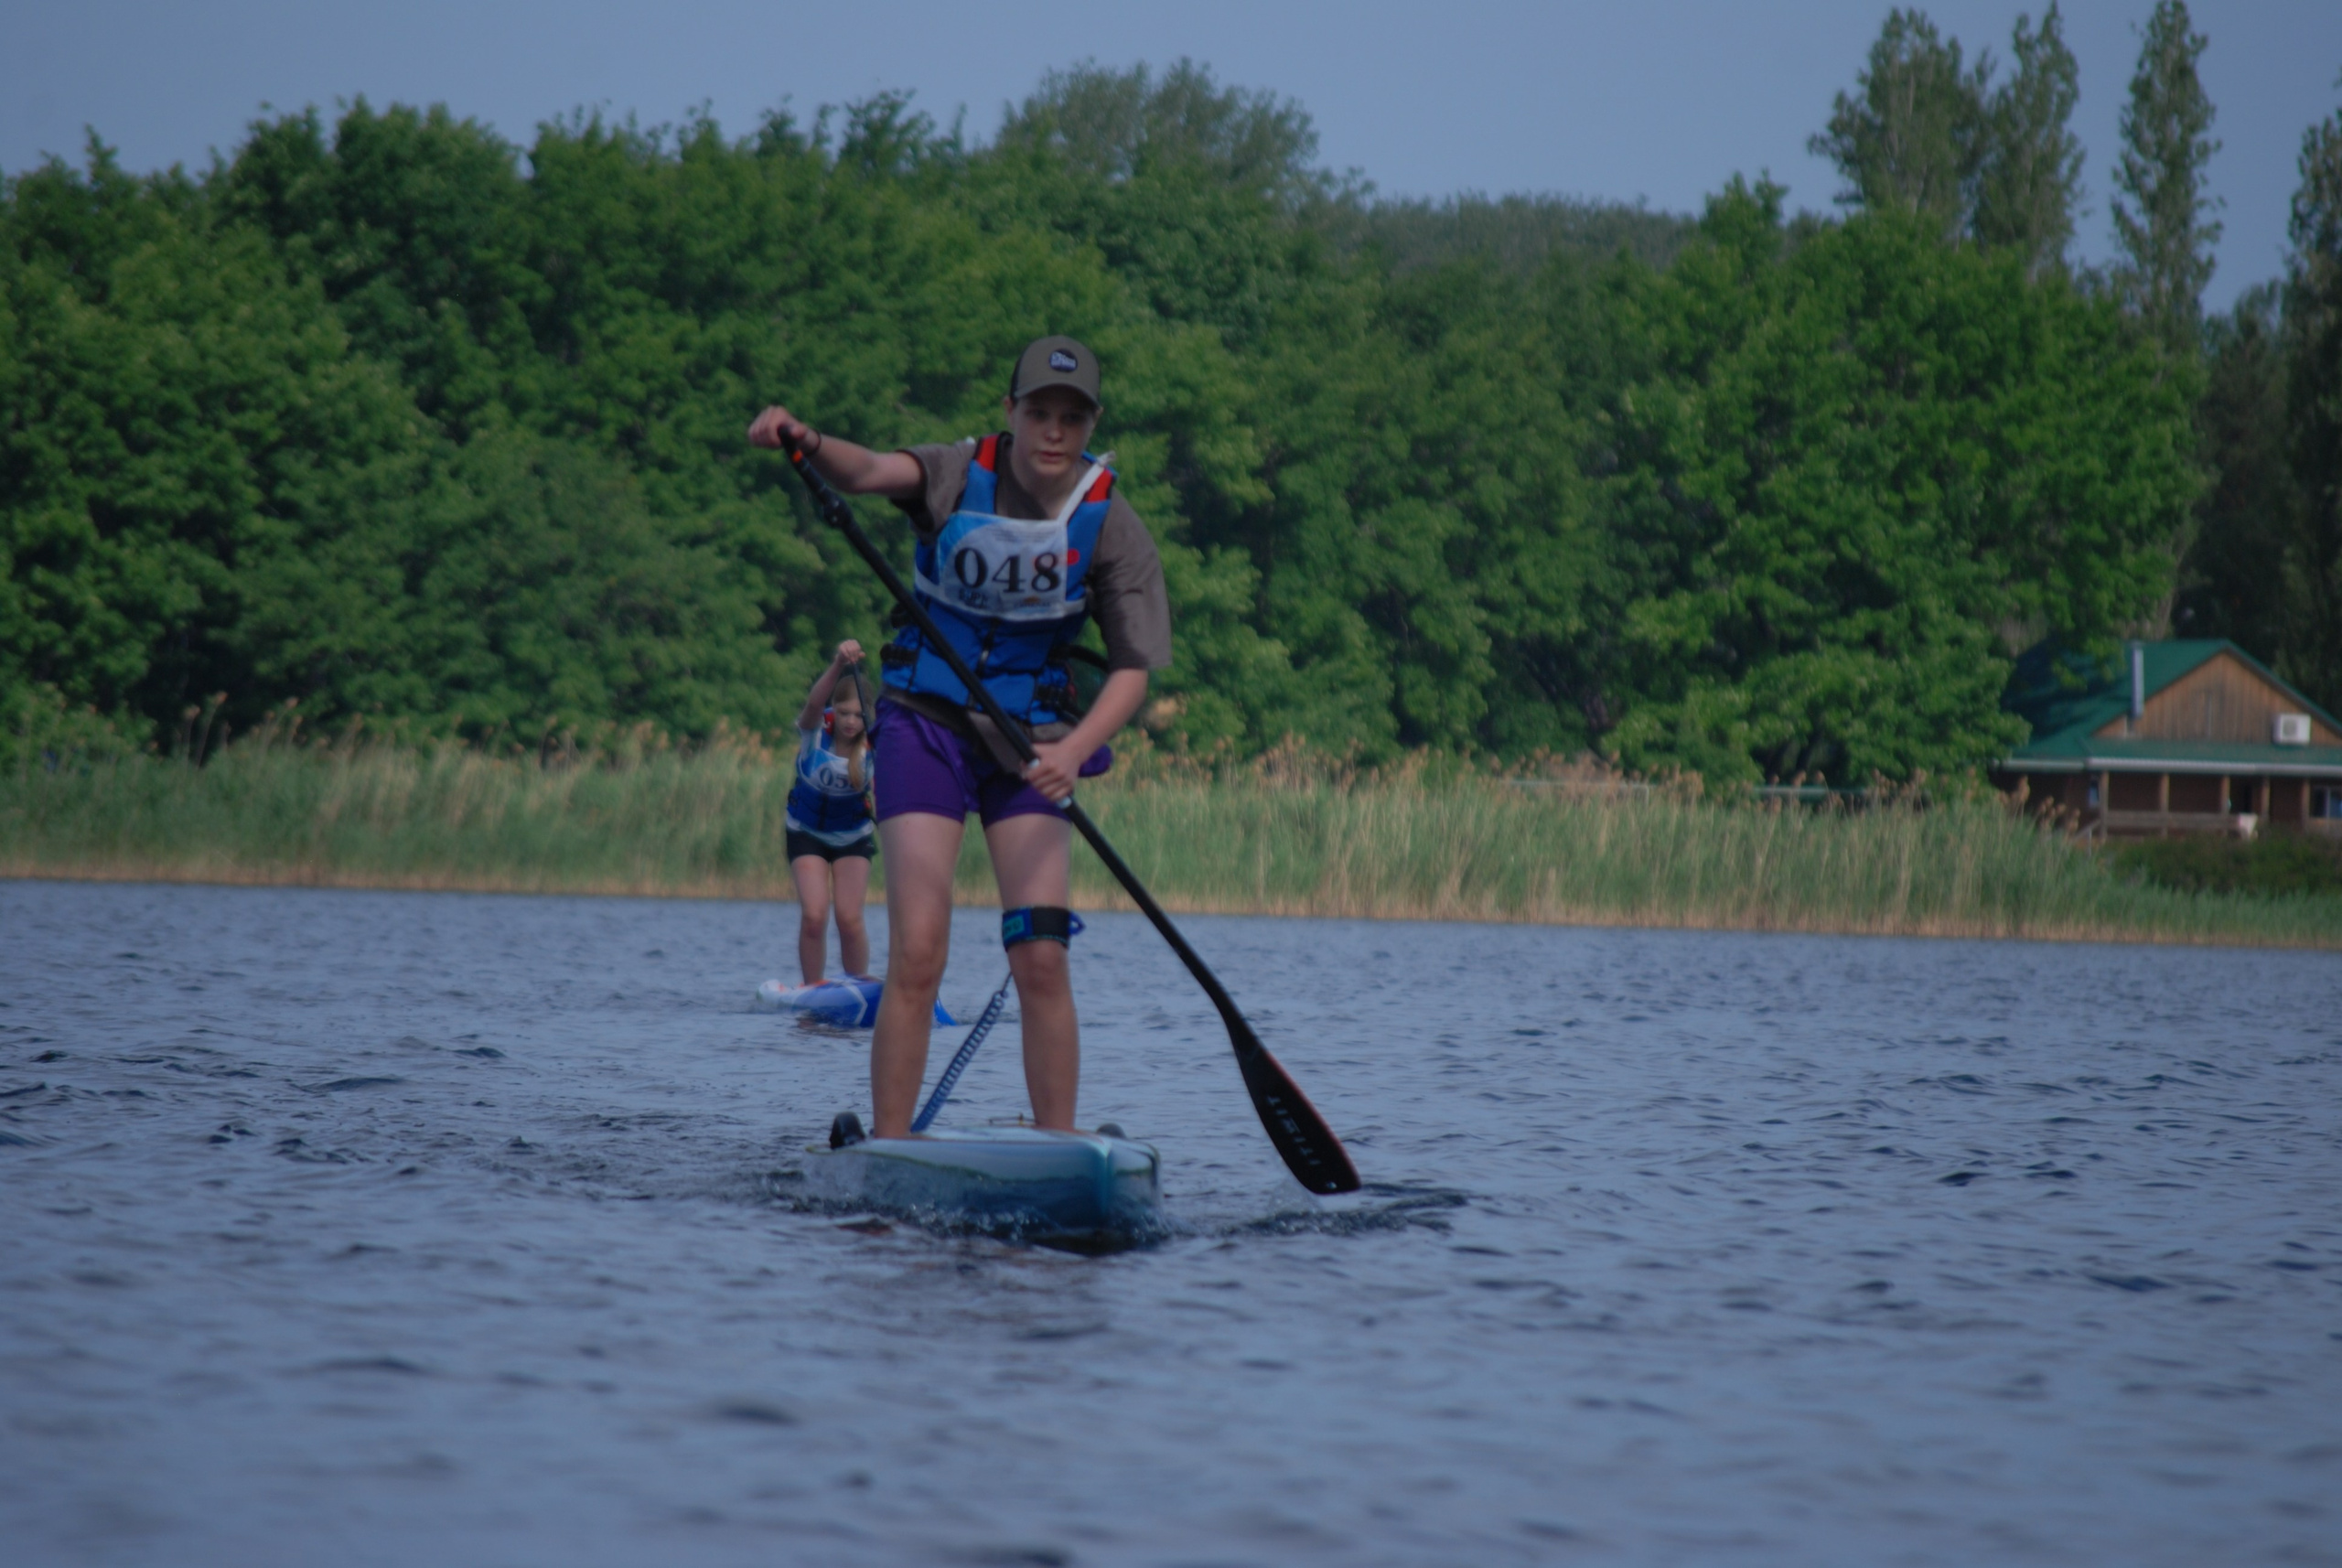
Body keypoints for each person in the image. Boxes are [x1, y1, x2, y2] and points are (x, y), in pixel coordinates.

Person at [748, 336, 1171, 1138]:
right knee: (918, 951)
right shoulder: (953, 473)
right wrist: (806, 440)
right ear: (1010, 414)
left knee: (1041, 957)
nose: (1054, 432)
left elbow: (1133, 671)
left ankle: (1058, 1146)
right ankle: (893, 1143)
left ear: (1091, 425)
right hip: (925, 730)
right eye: (1038, 413)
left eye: (1071, 418)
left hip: (1033, 750)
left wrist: (1074, 753)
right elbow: (867, 471)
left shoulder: (1111, 523)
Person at [785, 641, 876, 985]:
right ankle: (812, 988)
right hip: (806, 833)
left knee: (849, 919)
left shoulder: (874, 748)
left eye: (858, 714)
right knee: (814, 915)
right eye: (843, 713)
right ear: (833, 711)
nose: (851, 721)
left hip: (853, 838)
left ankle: (856, 987)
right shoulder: (813, 734)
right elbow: (812, 702)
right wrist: (838, 662)